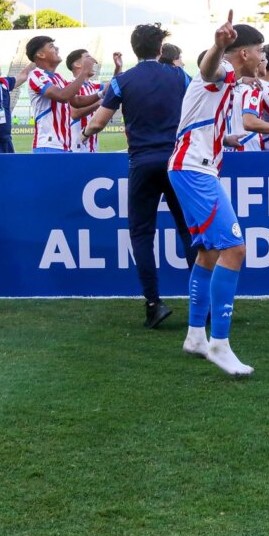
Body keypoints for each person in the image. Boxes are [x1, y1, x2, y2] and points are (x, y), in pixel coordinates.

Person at [168, 14, 269, 376]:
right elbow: (209, 68)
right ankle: (220, 344)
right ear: (243, 52)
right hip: (195, 170)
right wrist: (217, 44)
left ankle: (196, 336)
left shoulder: (232, 83)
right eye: (260, 50)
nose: (264, 56)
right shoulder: (224, 71)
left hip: (193, 167)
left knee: (209, 254)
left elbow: (202, 113)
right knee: (235, 249)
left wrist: (223, 139)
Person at [83, 25, 196, 328]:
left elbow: (97, 123)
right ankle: (203, 303)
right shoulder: (179, 76)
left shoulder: (122, 81)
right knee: (188, 230)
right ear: (161, 49)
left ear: (135, 49)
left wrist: (85, 131)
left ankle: (153, 303)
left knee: (142, 234)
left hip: (142, 163)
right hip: (176, 162)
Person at [25, 35, 98, 153]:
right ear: (41, 55)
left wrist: (101, 95)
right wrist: (84, 71)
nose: (57, 49)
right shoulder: (36, 75)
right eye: (51, 46)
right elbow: (62, 96)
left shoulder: (58, 77)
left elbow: (76, 101)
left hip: (65, 146)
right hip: (48, 145)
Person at [65, 48, 109, 153]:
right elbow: (74, 113)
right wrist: (99, 103)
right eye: (88, 57)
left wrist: (118, 67)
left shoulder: (95, 86)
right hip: (76, 145)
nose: (93, 60)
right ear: (77, 64)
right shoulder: (69, 87)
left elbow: (113, 86)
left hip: (93, 146)